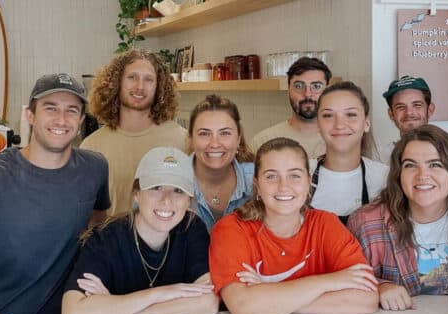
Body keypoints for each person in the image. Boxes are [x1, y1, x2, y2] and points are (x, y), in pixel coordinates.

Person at [0, 74, 109, 314]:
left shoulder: (95, 167)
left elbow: (98, 222)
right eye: (50, 108)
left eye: (71, 110)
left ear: (82, 119)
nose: (61, 119)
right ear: (31, 115)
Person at [209, 137, 379, 314]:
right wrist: (329, 282)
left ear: (308, 182)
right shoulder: (232, 229)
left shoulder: (326, 225)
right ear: (257, 186)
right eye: (271, 176)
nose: (284, 187)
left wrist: (269, 297)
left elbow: (366, 298)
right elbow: (245, 307)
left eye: (295, 175)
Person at [348, 124, 448, 311]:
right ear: (399, 173)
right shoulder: (366, 221)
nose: (422, 175)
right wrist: (380, 287)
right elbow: (347, 279)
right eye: (410, 165)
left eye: (435, 164)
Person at [61, 147, 218, 314]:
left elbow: (209, 301)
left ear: (189, 200)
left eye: (178, 190)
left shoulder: (191, 228)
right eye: (156, 187)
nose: (167, 200)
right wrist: (158, 294)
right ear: (137, 193)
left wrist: (116, 309)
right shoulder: (105, 240)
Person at [82, 49, 187, 215]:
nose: (140, 86)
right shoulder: (91, 147)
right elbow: (87, 213)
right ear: (117, 82)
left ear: (159, 86)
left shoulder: (183, 140)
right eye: (132, 77)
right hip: (111, 239)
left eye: (149, 79)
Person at [310, 81, 387, 222]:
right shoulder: (299, 174)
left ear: (366, 124)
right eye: (328, 115)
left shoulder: (385, 178)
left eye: (351, 114)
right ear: (317, 125)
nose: (339, 125)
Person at [187, 95, 255, 231]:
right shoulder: (169, 182)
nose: (214, 144)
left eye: (224, 133)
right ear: (191, 138)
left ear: (238, 138)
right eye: (204, 134)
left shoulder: (259, 180)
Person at [250, 57, 331, 159]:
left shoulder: (342, 139)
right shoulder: (262, 141)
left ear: (328, 91)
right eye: (298, 86)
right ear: (288, 90)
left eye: (316, 86)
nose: (307, 94)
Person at [379, 75, 436, 163]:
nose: (409, 112)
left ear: (430, 110)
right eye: (400, 107)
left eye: (417, 105)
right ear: (391, 114)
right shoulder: (380, 158)